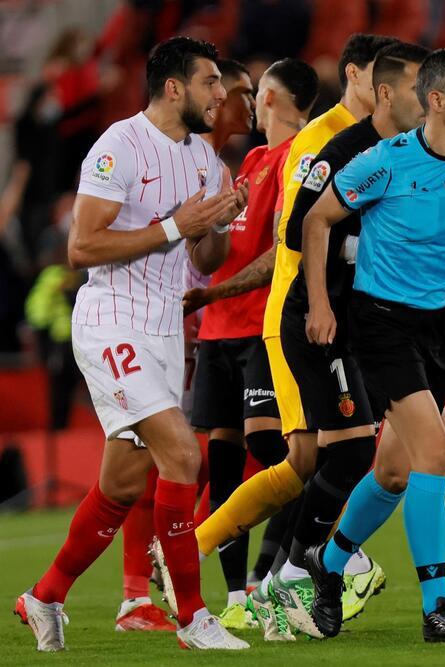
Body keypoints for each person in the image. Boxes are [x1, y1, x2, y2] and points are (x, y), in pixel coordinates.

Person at [14, 36, 250, 651]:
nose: (221, 95)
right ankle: (195, 618)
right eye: (210, 83)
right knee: (182, 454)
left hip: (166, 327)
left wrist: (218, 221)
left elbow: (208, 258)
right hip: (112, 320)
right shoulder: (118, 145)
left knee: (122, 484)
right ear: (175, 88)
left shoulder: (203, 157)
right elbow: (82, 248)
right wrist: (177, 224)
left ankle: (43, 597)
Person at [167, 33, 395, 642]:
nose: (395, 88)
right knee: (322, 458)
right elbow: (294, 241)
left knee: (315, 460)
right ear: (356, 75)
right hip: (302, 319)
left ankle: (251, 567)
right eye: (385, 75)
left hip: (333, 319)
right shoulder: (317, 145)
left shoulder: (378, 138)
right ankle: (296, 573)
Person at [300, 48, 445, 644]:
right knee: (434, 456)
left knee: (394, 471)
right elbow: (316, 220)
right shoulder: (384, 162)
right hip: (381, 324)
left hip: (442, 326)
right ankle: (436, 606)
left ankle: (329, 563)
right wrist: (320, 303)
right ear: (437, 100)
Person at [112, 57, 257, 635]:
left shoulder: (221, 165)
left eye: (239, 91)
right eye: (231, 89)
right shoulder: (147, 147)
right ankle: (141, 594)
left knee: (186, 461)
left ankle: (170, 583)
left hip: (197, 324)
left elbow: (209, 252)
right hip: (173, 322)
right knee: (165, 458)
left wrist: (218, 225)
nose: (238, 101)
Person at [183, 58, 318, 631]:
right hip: (218, 333)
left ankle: (297, 568)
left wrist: (215, 295)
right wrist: (197, 225)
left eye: (249, 93)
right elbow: (218, 248)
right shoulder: (252, 163)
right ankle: (239, 598)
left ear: (267, 97)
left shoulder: (299, 157)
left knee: (279, 459)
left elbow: (282, 255)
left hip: (261, 330)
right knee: (221, 463)